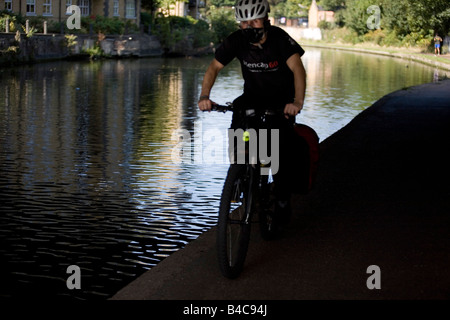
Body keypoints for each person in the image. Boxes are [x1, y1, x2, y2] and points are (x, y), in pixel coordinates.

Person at [197, 0, 307, 222]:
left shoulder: (280, 38)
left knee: (279, 149)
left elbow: (298, 70)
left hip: (280, 102)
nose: (250, 26)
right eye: (244, 23)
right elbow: (213, 68)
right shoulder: (237, 41)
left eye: (255, 21)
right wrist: (204, 96)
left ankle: (282, 197)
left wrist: (297, 102)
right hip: (252, 98)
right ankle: (241, 174)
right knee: (240, 132)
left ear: (266, 20)